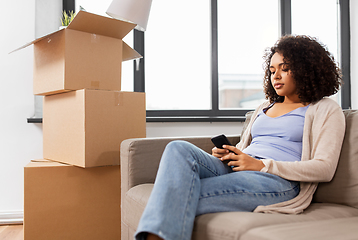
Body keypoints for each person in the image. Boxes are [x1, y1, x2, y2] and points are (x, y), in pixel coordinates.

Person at [134, 35, 346, 240]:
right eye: (272, 70)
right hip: (239, 168)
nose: (276, 76)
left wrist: (261, 165)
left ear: (306, 70)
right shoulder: (263, 107)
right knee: (177, 148)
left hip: (277, 182)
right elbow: (249, 148)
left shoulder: (325, 109)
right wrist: (229, 154)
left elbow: (324, 168)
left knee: (177, 193)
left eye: (285, 68)